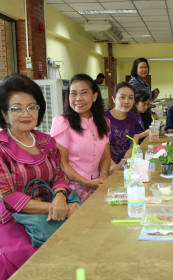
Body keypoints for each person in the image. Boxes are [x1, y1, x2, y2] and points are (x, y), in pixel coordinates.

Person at [0, 74, 79, 279]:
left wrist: (60, 197)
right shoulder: (1, 148)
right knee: (33, 260)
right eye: (16, 108)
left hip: (54, 214)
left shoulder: (46, 141)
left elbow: (60, 175)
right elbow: (7, 197)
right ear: (4, 114)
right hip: (15, 221)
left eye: (32, 107)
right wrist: (55, 207)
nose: (26, 113)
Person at [50, 74, 111, 202]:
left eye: (84, 93)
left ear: (95, 96)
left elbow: (105, 156)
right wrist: (85, 182)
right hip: (71, 190)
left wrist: (104, 175)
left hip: (97, 185)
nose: (78, 98)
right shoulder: (62, 122)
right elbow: (61, 163)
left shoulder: (103, 122)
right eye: (73, 94)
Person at [105, 82, 144, 174]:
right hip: (105, 166)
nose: (126, 101)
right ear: (114, 99)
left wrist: (122, 163)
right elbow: (99, 147)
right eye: (122, 97)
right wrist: (112, 165)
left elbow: (133, 144)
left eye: (130, 98)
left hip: (127, 165)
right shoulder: (103, 118)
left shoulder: (134, 118)